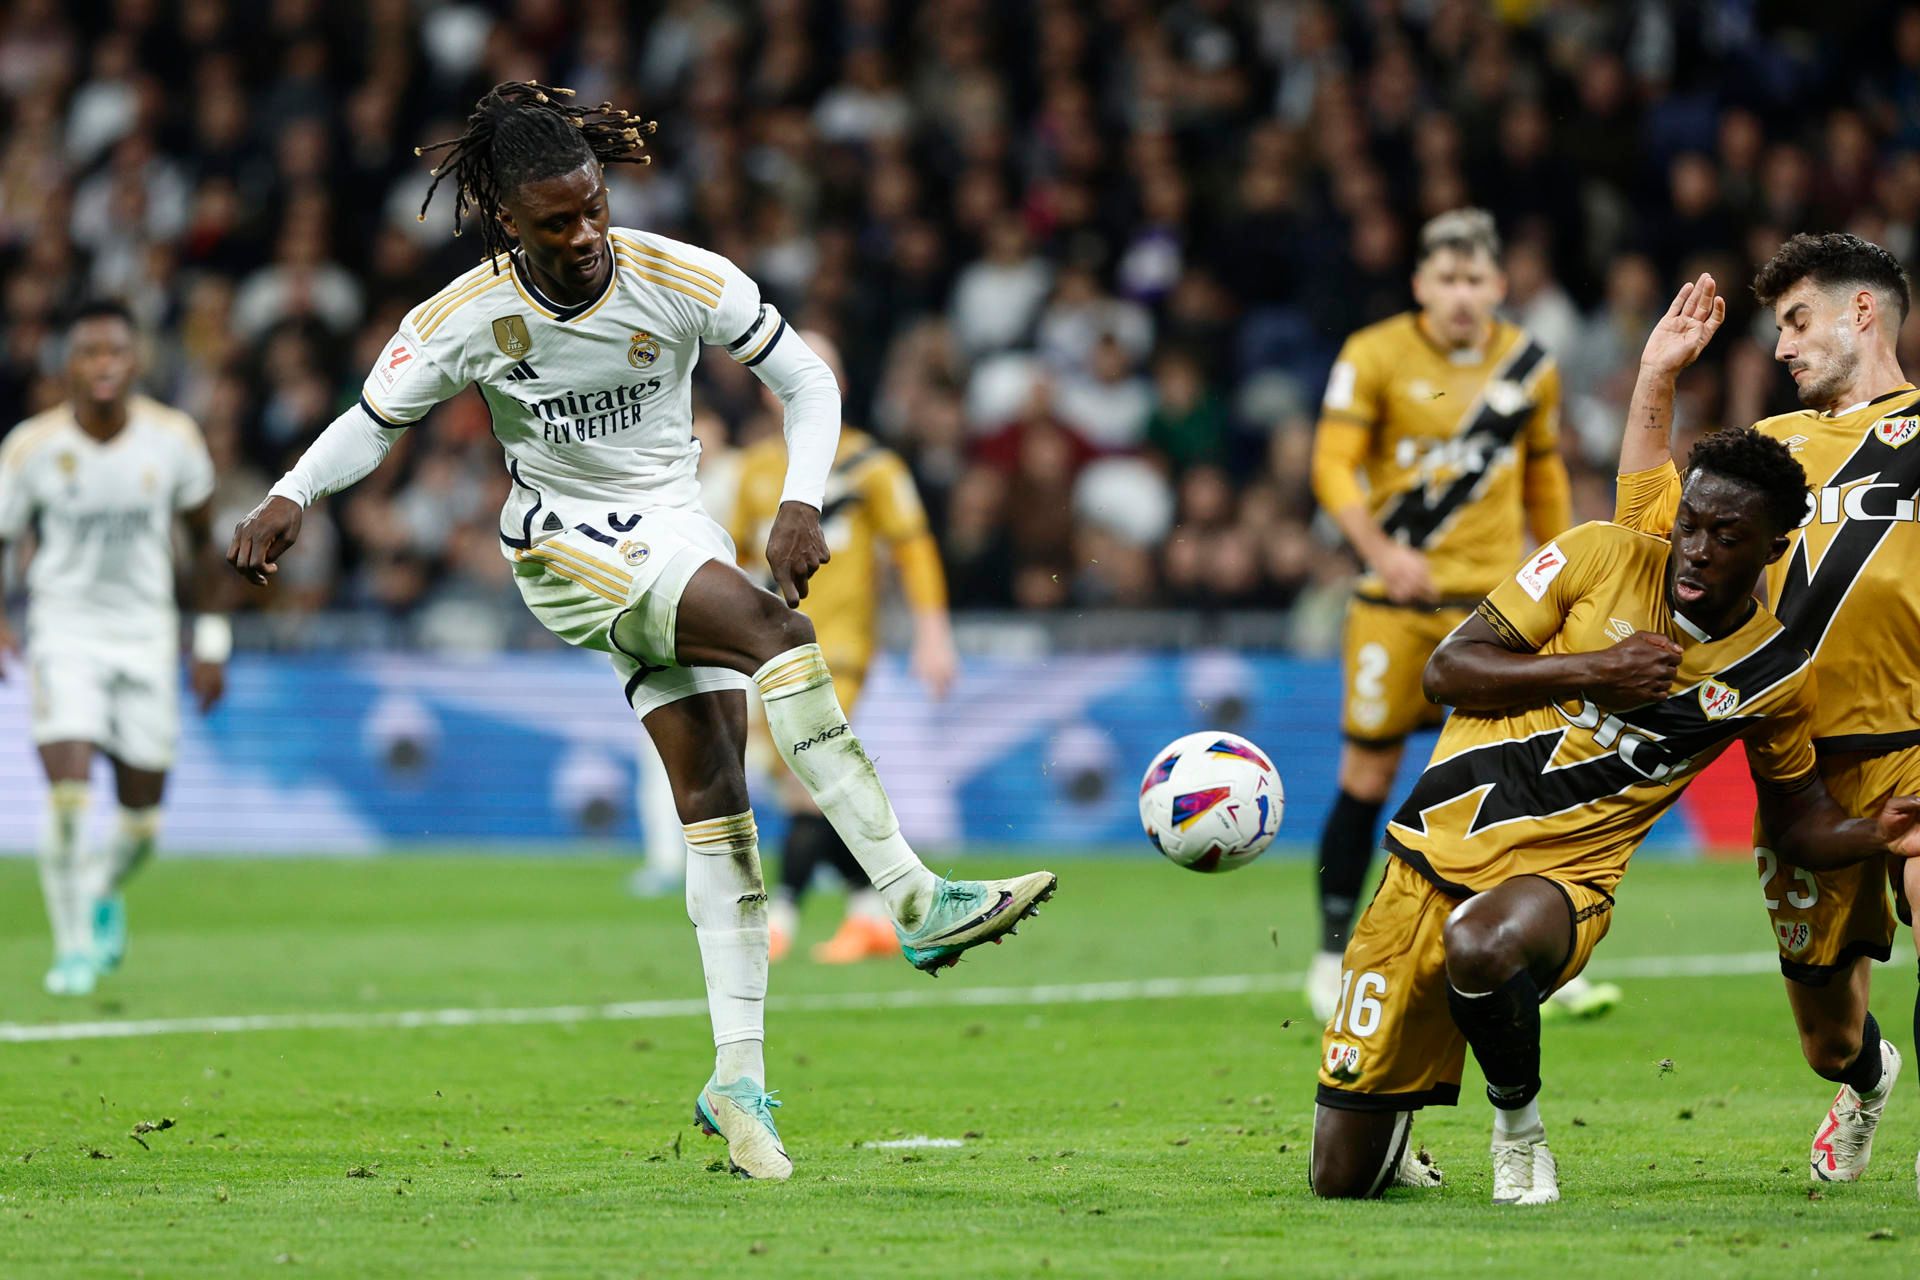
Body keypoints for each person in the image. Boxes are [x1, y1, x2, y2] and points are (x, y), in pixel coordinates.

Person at [225, 82, 1055, 1182]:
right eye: (555, 221)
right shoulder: (463, 317)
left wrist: (800, 495)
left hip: (671, 522)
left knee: (720, 805)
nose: (583, 235)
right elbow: (372, 422)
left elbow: (806, 379)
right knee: (775, 633)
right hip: (560, 547)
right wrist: (291, 492)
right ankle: (911, 892)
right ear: (506, 223)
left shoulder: (678, 275)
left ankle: (737, 1078)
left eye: (593, 206)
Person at [1310, 428, 1920, 1204]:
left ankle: (1520, 1133)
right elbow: (1448, 671)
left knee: (1482, 941)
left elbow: (1798, 822)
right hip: (1423, 864)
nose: (1695, 549)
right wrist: (1595, 670)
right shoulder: (1599, 554)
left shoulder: (1773, 673)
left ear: (1774, 546)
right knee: (1339, 1183)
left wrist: (1878, 833)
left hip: (1561, 883)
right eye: (1689, 524)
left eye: (1725, 536)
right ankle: (1389, 1142)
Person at [1616, 236, 1920, 1187]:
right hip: (1798, 775)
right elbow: (1643, 533)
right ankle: (1866, 1079)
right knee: (1827, 1038)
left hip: (1912, 743)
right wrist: (1656, 377)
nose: (1783, 347)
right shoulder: (1772, 451)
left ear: (1861, 313)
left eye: (1797, 321)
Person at [1306, 208, 1613, 1022]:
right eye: (1446, 279)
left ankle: (1531, 950)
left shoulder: (1529, 366)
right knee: (1366, 777)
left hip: (1491, 615)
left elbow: (1545, 476)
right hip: (1393, 608)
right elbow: (1331, 467)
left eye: (1475, 279)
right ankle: (1332, 950)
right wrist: (1378, 551)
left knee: (1512, 785)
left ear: (1500, 285)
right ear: (1419, 285)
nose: (1461, 296)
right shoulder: (1371, 354)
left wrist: (1566, 570)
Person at [0, 300, 227, 996]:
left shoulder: (174, 439)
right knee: (68, 797)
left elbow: (203, 549)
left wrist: (210, 640)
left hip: (146, 635)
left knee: (142, 824)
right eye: (89, 352)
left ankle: (101, 889)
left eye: (115, 353)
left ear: (135, 363)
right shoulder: (30, 447)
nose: (103, 365)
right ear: (67, 366)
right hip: (64, 631)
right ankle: (71, 952)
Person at [730, 330, 958, 964]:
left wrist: (933, 633)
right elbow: (733, 564)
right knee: (813, 789)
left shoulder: (873, 467)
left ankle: (780, 920)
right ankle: (871, 914)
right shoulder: (751, 474)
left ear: (839, 387)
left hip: (841, 652)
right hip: (767, 654)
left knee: (810, 782)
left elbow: (914, 548)